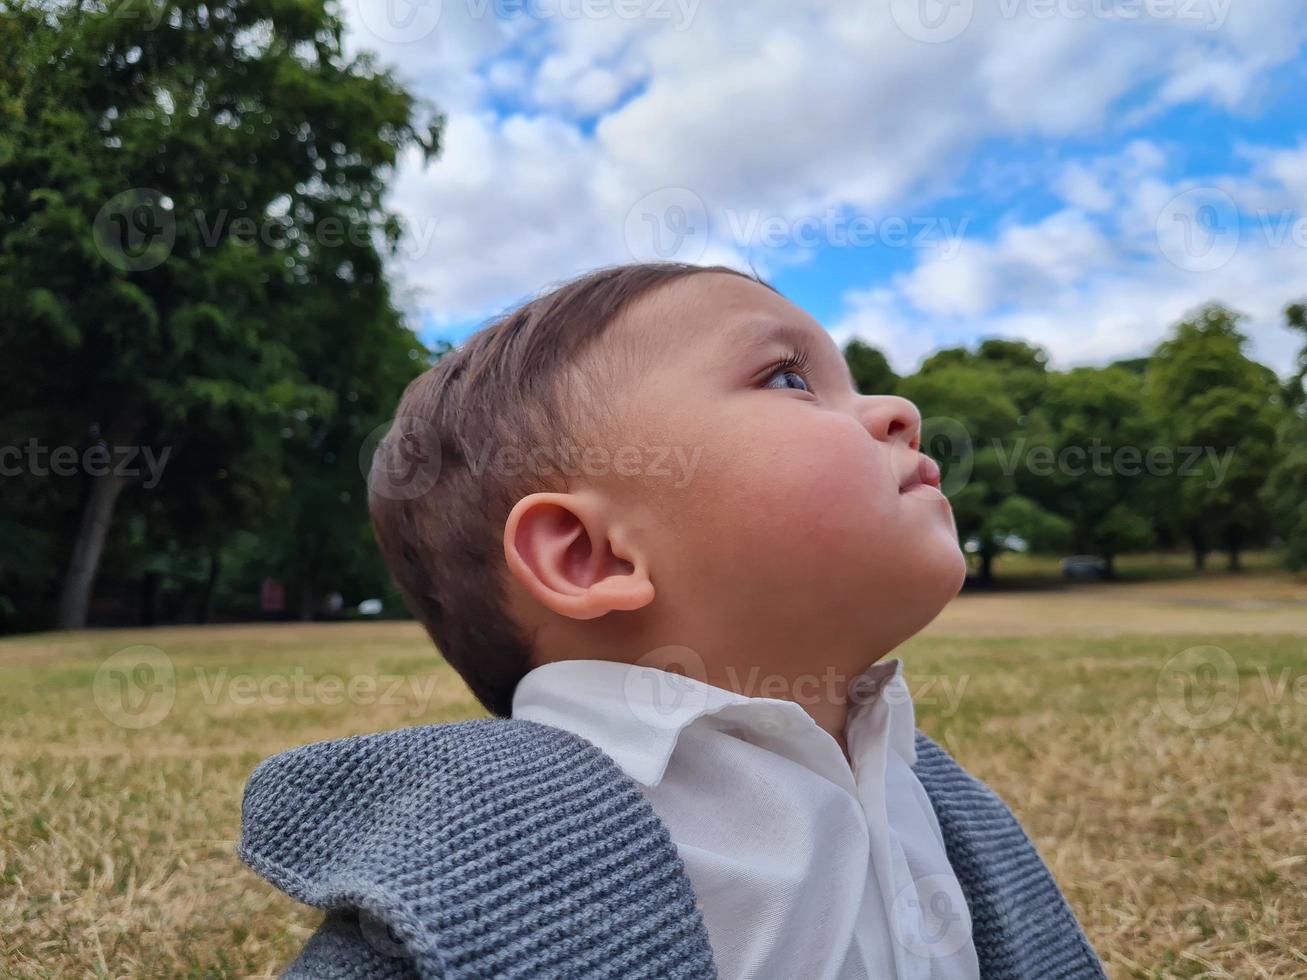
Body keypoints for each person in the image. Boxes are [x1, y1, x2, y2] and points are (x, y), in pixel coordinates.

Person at [238, 263, 1106, 979]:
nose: (897, 411)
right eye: (789, 379)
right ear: (589, 555)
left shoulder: (942, 800)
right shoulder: (474, 860)